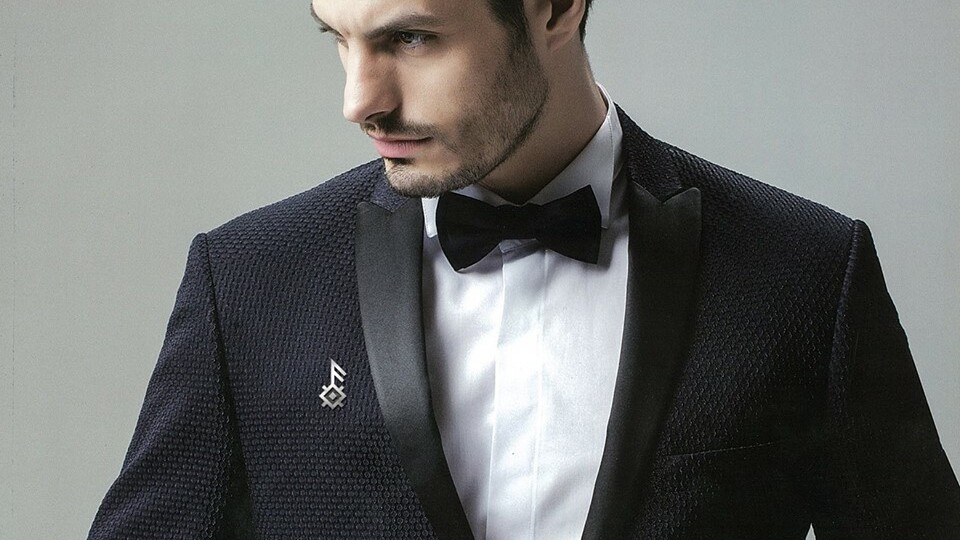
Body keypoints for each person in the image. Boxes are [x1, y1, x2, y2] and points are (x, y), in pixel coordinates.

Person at [88, 0, 960, 538]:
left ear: (555, 8)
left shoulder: (804, 273)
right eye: (339, 39)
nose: (360, 101)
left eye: (412, 38)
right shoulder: (250, 281)